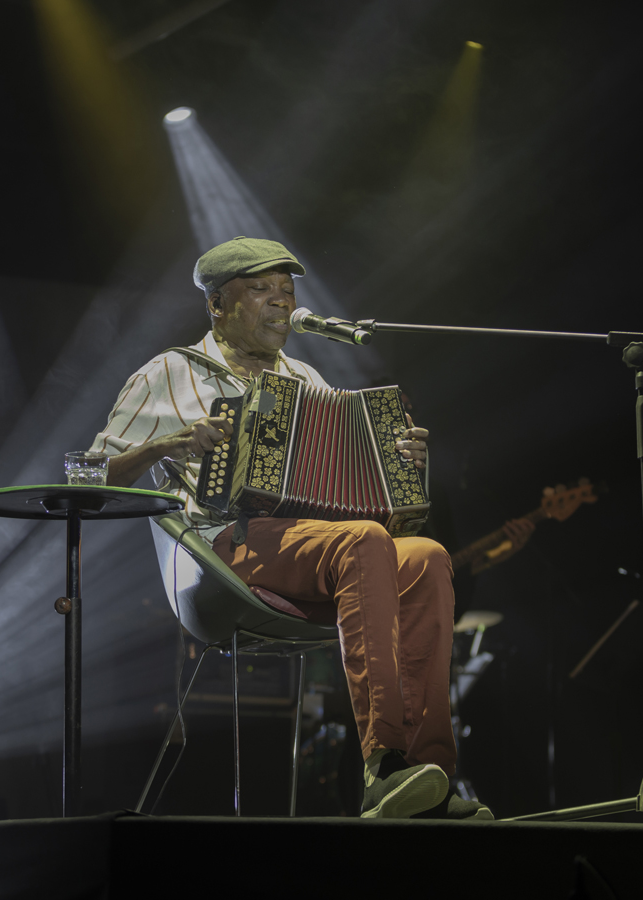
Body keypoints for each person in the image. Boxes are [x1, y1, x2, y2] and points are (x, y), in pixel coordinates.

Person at [90, 236, 491, 820]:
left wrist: (399, 464)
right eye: (261, 291)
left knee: (425, 553)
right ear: (218, 305)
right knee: (366, 541)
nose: (281, 303)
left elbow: (361, 483)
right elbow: (92, 470)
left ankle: (429, 779)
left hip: (315, 545)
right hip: (226, 547)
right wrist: (169, 443)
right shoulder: (171, 370)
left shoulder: (304, 376)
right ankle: (385, 765)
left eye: (287, 291)